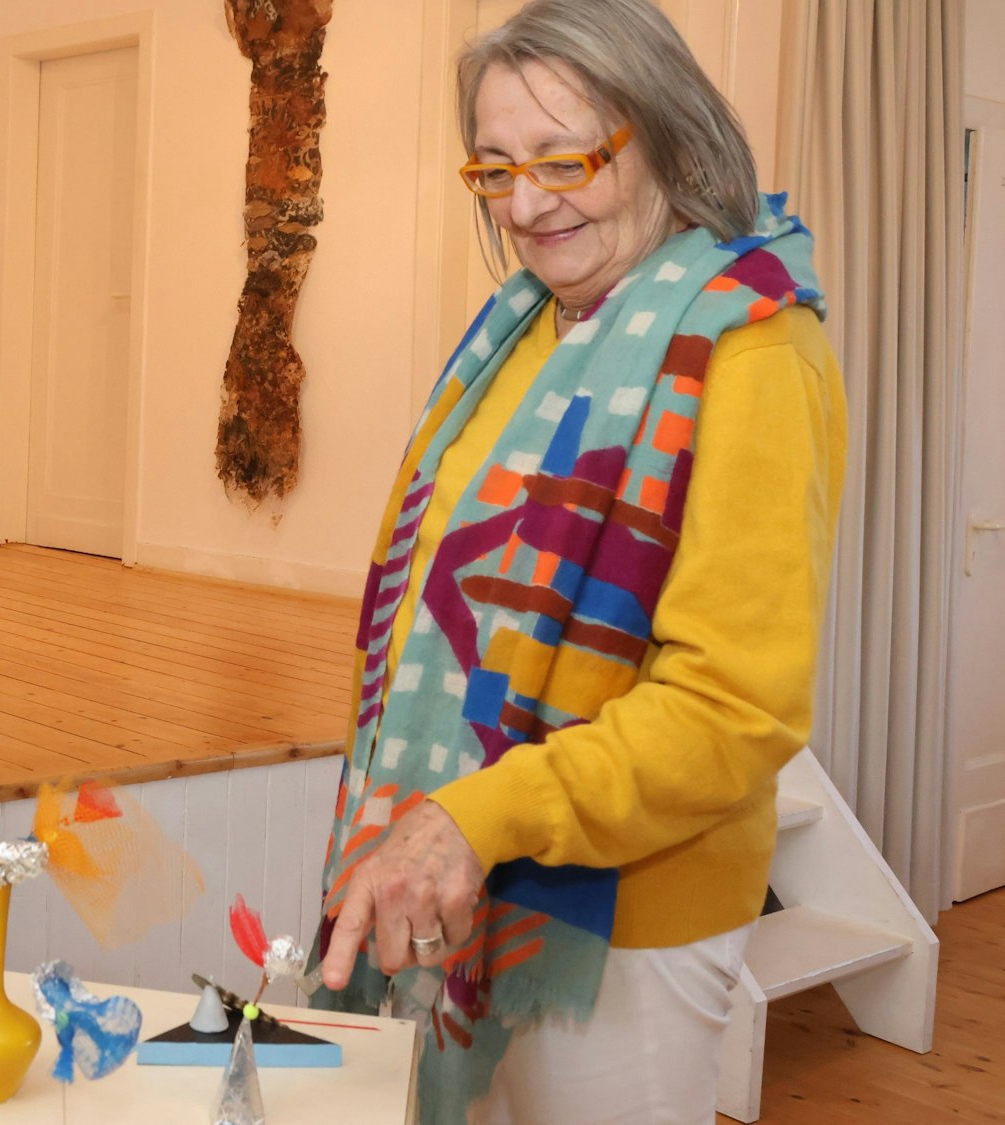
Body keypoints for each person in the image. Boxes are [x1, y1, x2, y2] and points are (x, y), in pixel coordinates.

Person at [310, 1, 847, 1120]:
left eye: (564, 158)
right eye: (494, 169)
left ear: (672, 138)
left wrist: (477, 817)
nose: (524, 205)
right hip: (455, 880)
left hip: (623, 920)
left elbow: (733, 708)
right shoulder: (517, 329)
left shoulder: (751, 351)